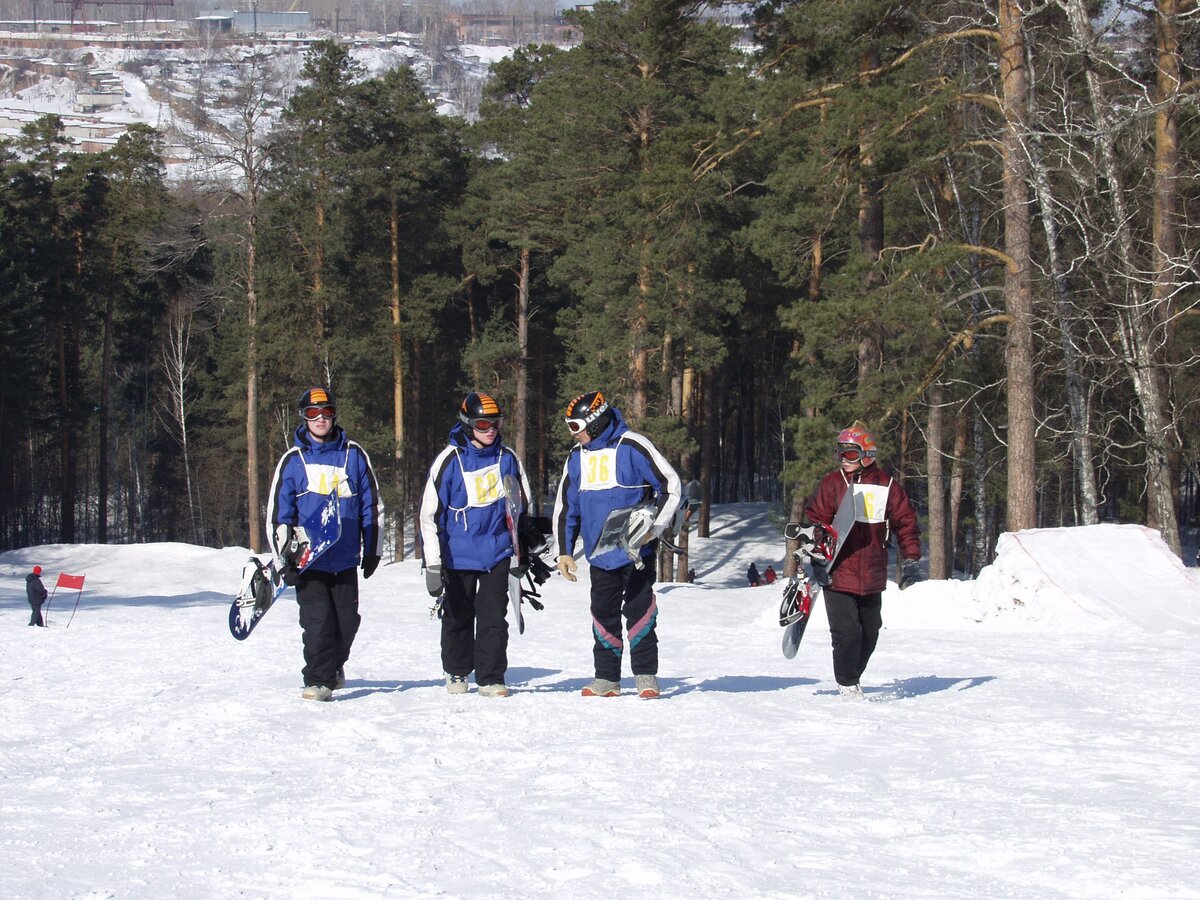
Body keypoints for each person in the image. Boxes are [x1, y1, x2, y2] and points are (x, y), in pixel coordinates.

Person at [553, 391, 682, 699]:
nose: (575, 434)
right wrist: (565, 551)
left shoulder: (633, 446)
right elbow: (566, 507)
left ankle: (645, 675)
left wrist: (655, 527)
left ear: (595, 424)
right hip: (599, 555)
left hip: (636, 551)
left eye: (576, 426)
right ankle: (607, 678)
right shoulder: (576, 458)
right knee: (602, 613)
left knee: (640, 611)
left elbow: (671, 486)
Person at [267, 387, 383, 702]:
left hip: (344, 557)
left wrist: (373, 548)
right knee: (317, 621)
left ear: (334, 415)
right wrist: (286, 558)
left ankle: (333, 667)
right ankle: (317, 679)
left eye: (326, 413)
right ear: (304, 418)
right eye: (313, 414)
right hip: (309, 560)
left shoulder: (354, 455)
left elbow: (371, 505)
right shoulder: (293, 460)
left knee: (347, 623)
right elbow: (279, 515)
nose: (320, 420)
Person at [419, 392, 532, 698]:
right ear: (468, 425)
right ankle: (457, 669)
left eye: (495, 423)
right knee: (458, 615)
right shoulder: (450, 460)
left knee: (494, 617)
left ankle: (491, 675)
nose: (490, 429)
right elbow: (429, 515)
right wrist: (433, 563)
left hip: (496, 552)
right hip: (457, 555)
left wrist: (522, 550)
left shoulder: (507, 458)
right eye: (483, 424)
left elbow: (522, 507)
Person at [804, 423, 922, 700]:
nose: (844, 459)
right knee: (846, 633)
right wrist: (819, 558)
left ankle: (853, 675)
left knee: (870, 631)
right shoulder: (832, 484)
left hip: (872, 573)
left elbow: (906, 523)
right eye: (841, 453)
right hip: (838, 571)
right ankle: (846, 683)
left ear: (867, 454)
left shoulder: (888, 486)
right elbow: (816, 520)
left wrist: (912, 559)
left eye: (851, 454)